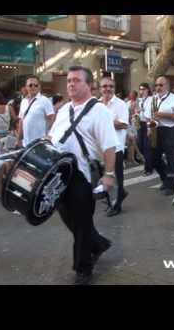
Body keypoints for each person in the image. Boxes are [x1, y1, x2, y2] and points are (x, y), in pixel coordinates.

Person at [49, 65, 118, 285]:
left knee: (81, 221)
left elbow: (109, 146)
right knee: (68, 217)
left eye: (76, 80)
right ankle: (97, 244)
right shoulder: (63, 110)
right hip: (60, 173)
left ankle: (83, 269)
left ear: (89, 85)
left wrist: (109, 175)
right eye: (69, 80)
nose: (70, 84)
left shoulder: (99, 111)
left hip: (83, 174)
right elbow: (53, 138)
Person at [100, 76, 130, 217]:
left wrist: (105, 122)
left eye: (111, 86)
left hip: (116, 147)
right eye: (105, 86)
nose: (108, 89)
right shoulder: (96, 104)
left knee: (117, 177)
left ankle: (117, 205)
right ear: (100, 89)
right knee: (105, 175)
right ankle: (114, 197)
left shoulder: (120, 104)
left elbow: (124, 124)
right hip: (101, 148)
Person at [149, 76, 174, 196]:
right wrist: (151, 123)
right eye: (156, 85)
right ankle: (165, 178)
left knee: (170, 158)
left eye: (161, 85)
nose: (158, 87)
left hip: (170, 130)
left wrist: (163, 115)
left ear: (167, 86)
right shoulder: (153, 99)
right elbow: (152, 115)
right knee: (154, 158)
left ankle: (171, 185)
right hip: (157, 130)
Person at [17, 76, 55, 147]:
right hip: (26, 143)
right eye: (30, 85)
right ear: (26, 87)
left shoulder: (45, 101)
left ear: (39, 87)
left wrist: (50, 136)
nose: (33, 87)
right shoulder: (23, 102)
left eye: (36, 85)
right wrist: (18, 139)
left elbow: (52, 121)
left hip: (40, 144)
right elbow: (21, 122)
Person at [125, 90, 144, 166]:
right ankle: (137, 156)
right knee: (132, 140)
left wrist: (134, 113)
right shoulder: (127, 102)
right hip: (128, 122)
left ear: (135, 95)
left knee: (132, 141)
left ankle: (131, 158)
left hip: (134, 122)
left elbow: (137, 113)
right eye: (130, 94)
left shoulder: (137, 102)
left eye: (132, 94)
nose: (131, 95)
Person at [137, 83, 153, 176]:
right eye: (140, 89)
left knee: (147, 147)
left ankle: (148, 169)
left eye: (143, 89)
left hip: (148, 123)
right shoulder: (141, 100)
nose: (141, 91)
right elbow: (140, 112)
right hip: (141, 123)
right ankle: (151, 162)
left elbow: (149, 114)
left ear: (148, 90)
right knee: (140, 145)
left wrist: (149, 128)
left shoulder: (151, 99)